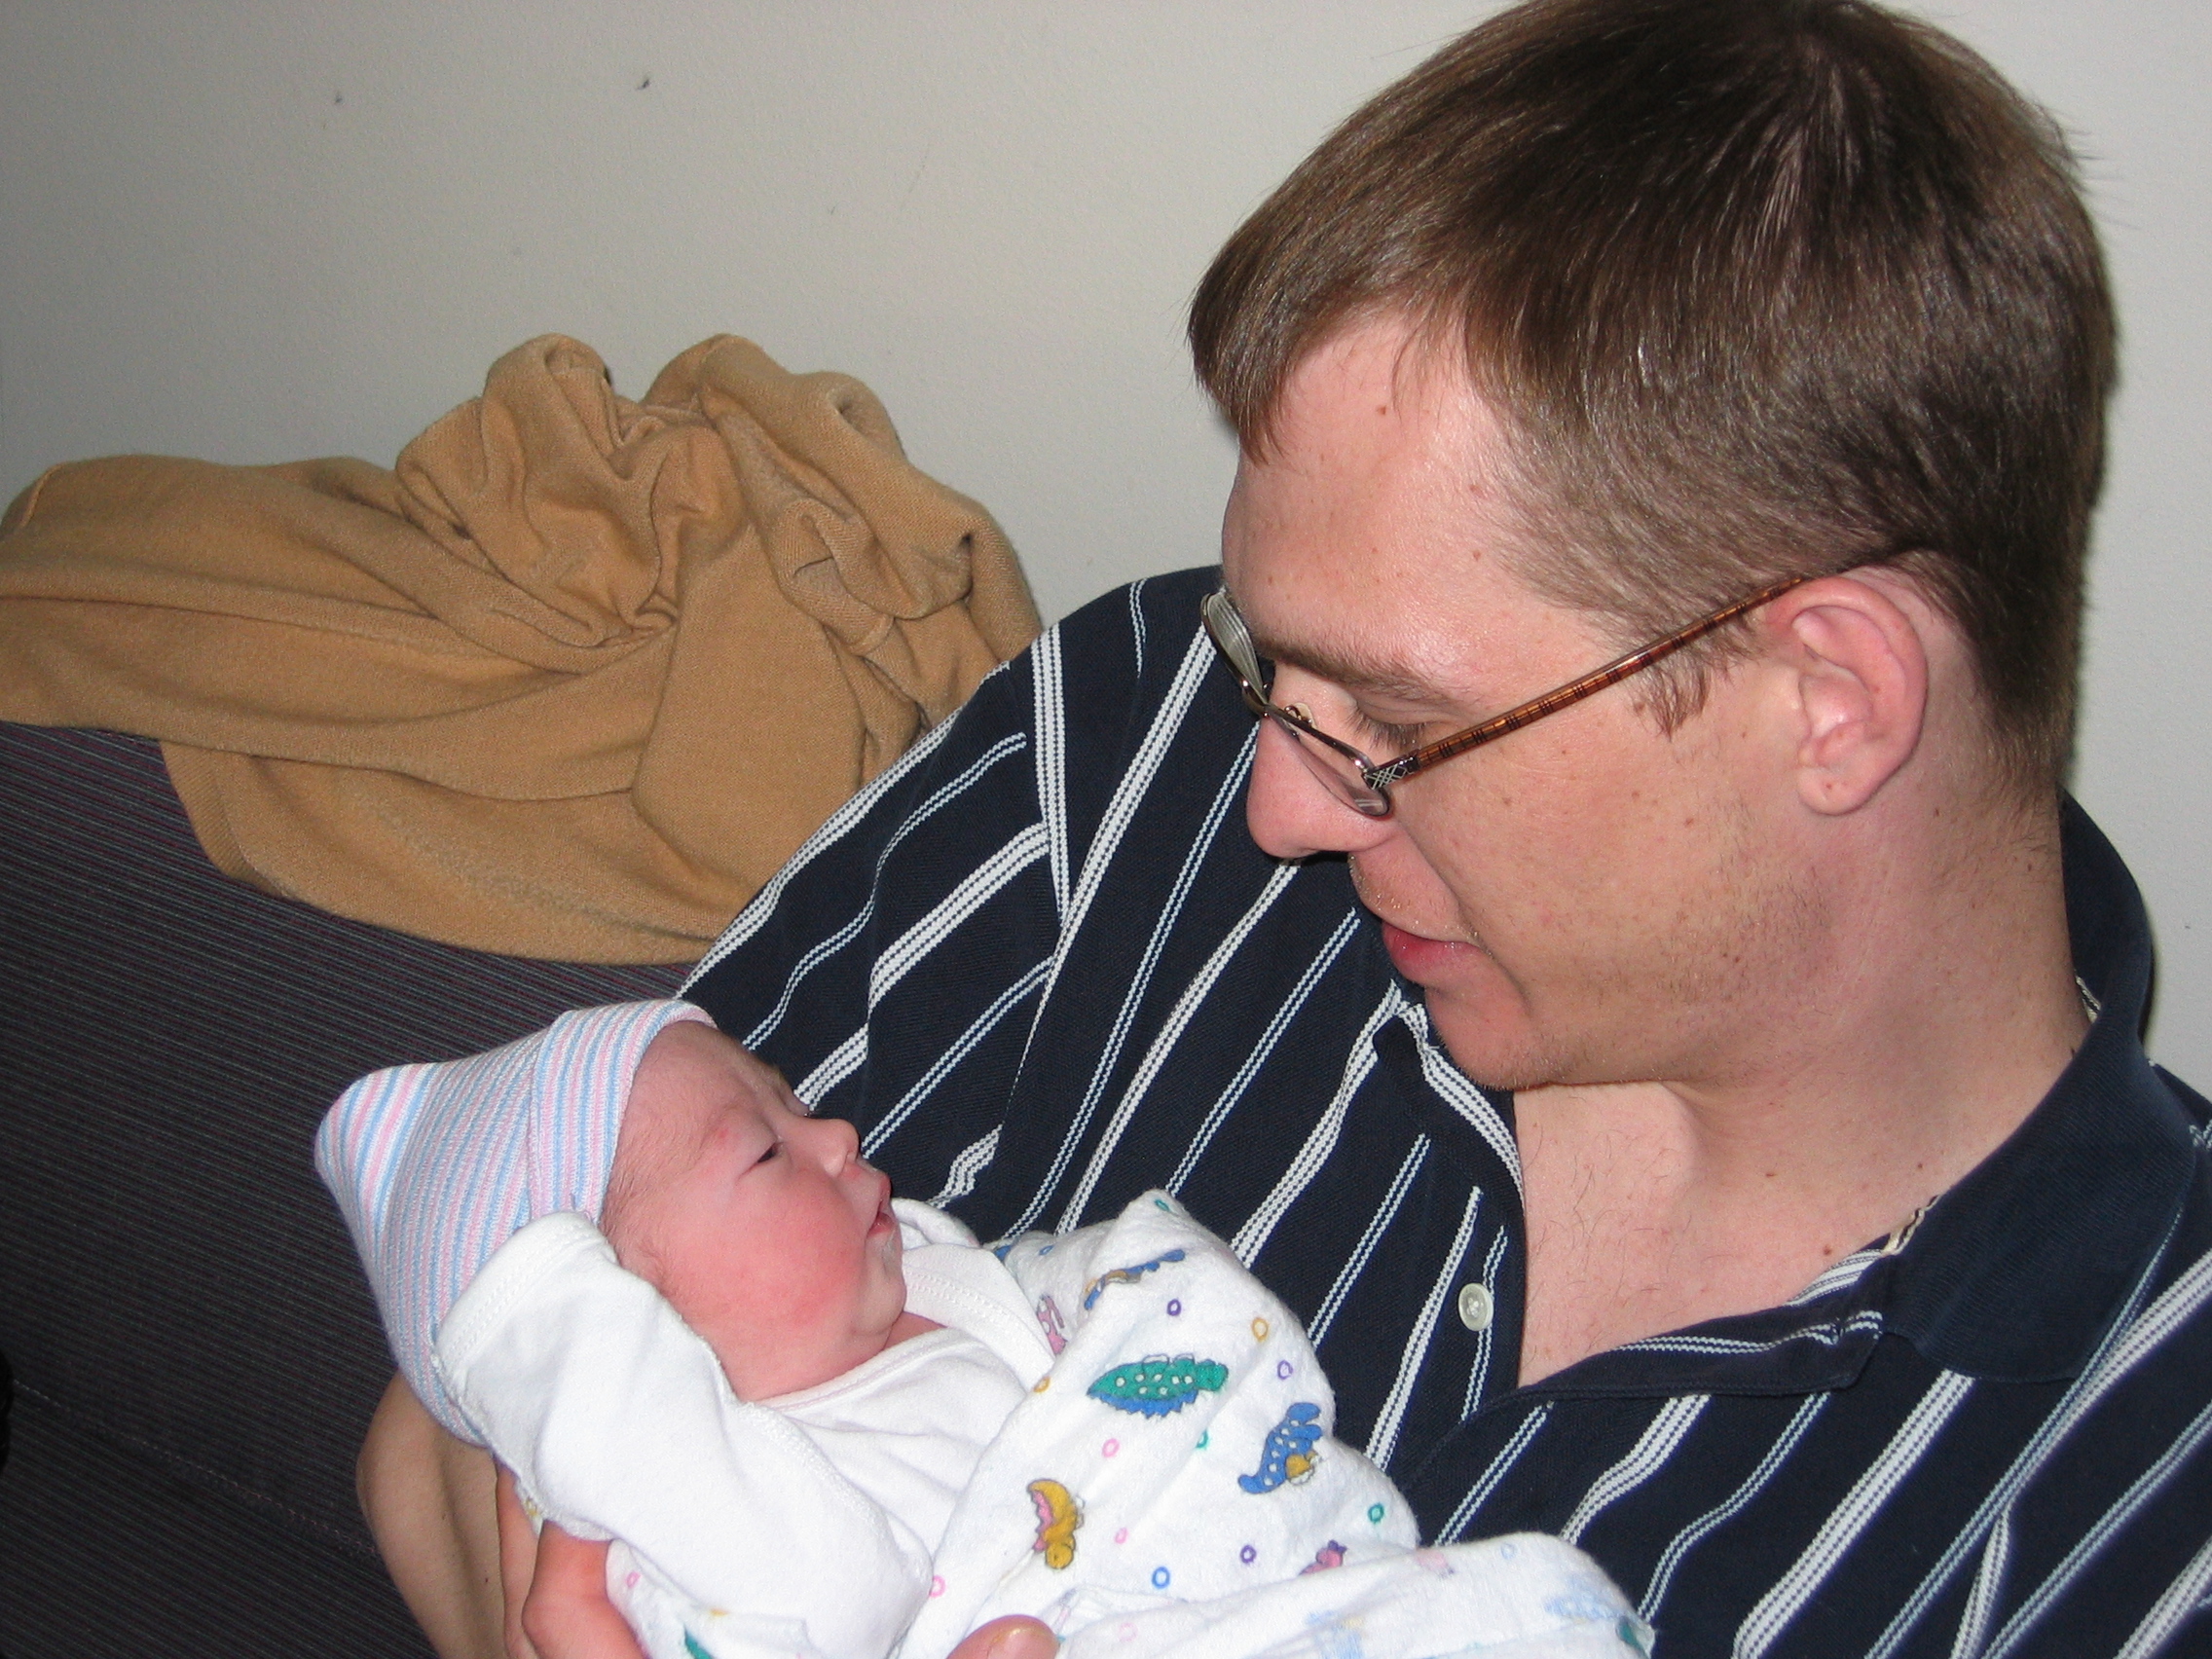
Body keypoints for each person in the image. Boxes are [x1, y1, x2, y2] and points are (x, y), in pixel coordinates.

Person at [358, 1, 2212, 1656]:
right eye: (1277, 666)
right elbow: (447, 1396)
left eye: (1396, 725)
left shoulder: (2149, 1500)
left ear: (1831, 702)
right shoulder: (1134, 752)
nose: (1274, 800)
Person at [321, 1002, 1643, 1659]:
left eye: (796, 1102)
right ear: (613, 1325)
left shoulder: (935, 1286)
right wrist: (542, 1334)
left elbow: (1123, 1312)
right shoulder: (698, 1523)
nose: (838, 1132)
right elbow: (829, 1594)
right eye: (766, 1152)